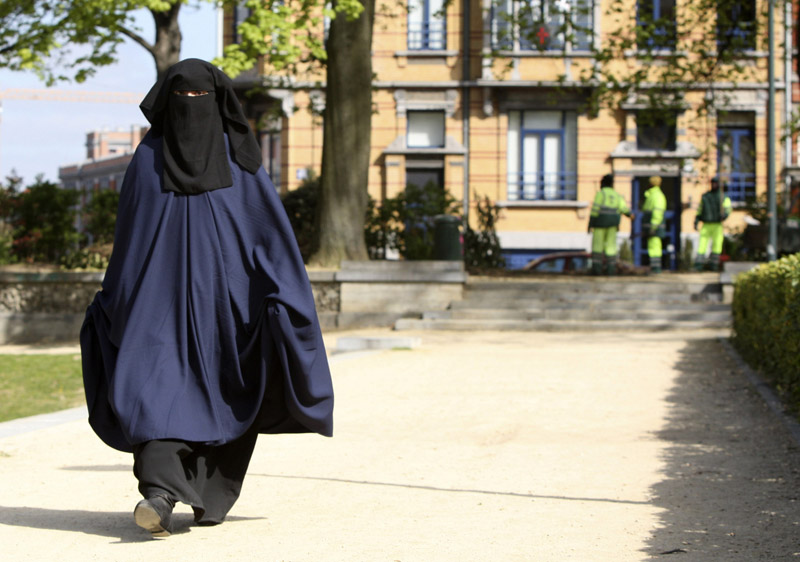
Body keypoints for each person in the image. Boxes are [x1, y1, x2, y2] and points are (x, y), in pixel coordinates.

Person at [80, 59, 334, 538]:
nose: (191, 108)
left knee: (224, 396)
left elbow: (269, 237)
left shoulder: (242, 164)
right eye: (183, 99)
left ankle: (201, 495)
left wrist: (280, 296)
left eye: (201, 98)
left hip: (226, 313)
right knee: (152, 393)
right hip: (156, 312)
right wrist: (116, 300)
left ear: (217, 102)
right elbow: (130, 240)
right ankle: (158, 493)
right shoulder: (146, 160)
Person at [588, 173, 632, 275]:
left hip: (600, 224)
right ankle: (610, 270)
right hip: (613, 225)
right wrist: (630, 215)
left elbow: (594, 211)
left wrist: (590, 224)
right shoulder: (617, 195)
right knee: (611, 247)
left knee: (597, 247)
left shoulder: (601, 194)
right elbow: (623, 208)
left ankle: (597, 270)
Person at [694, 177, 732, 271]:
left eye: (716, 183)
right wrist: (697, 219)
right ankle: (699, 264)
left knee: (717, 245)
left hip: (717, 224)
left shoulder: (722, 196)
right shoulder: (705, 196)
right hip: (706, 224)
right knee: (702, 245)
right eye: (713, 183)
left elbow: (728, 208)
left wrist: (725, 215)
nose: (714, 185)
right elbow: (700, 209)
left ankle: (714, 265)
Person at [641, 176, 667, 274]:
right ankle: (654, 267)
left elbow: (657, 213)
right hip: (652, 228)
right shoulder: (652, 195)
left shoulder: (657, 196)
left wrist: (653, 227)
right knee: (653, 248)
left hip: (655, 229)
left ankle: (656, 269)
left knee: (655, 248)